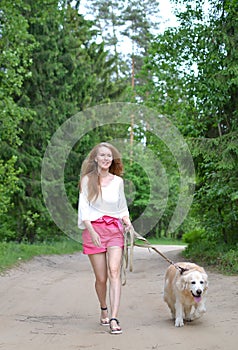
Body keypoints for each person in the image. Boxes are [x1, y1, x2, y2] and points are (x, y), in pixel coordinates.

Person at [78, 142, 132, 334]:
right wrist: (92, 232)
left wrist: (127, 222)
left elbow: (122, 207)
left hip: (114, 230)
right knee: (101, 278)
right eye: (102, 155)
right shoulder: (87, 180)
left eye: (109, 156)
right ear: (95, 158)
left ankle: (115, 318)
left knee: (114, 271)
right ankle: (104, 309)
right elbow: (83, 209)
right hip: (94, 230)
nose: (106, 159)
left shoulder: (118, 182)